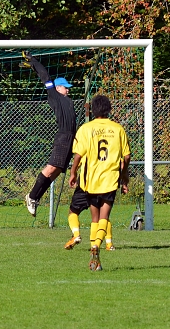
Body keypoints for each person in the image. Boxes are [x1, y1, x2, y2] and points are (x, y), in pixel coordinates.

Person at [68, 94, 130, 271]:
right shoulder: (118, 129)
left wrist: (73, 173)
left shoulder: (86, 129)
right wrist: (124, 175)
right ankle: (96, 247)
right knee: (104, 217)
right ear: (109, 109)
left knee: (94, 218)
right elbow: (126, 156)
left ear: (93, 110)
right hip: (110, 179)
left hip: (91, 180)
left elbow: (78, 155)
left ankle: (93, 251)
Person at [21, 51, 77, 217]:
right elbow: (45, 76)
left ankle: (35, 197)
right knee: (52, 167)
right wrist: (33, 62)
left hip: (71, 139)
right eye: (65, 87)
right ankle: (31, 196)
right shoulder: (54, 95)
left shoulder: (69, 101)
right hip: (63, 137)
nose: (68, 90)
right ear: (58, 88)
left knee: (58, 170)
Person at [65, 181, 115, 251]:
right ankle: (108, 244)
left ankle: (77, 235)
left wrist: (73, 173)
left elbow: (75, 169)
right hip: (104, 182)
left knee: (73, 212)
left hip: (86, 183)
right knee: (103, 215)